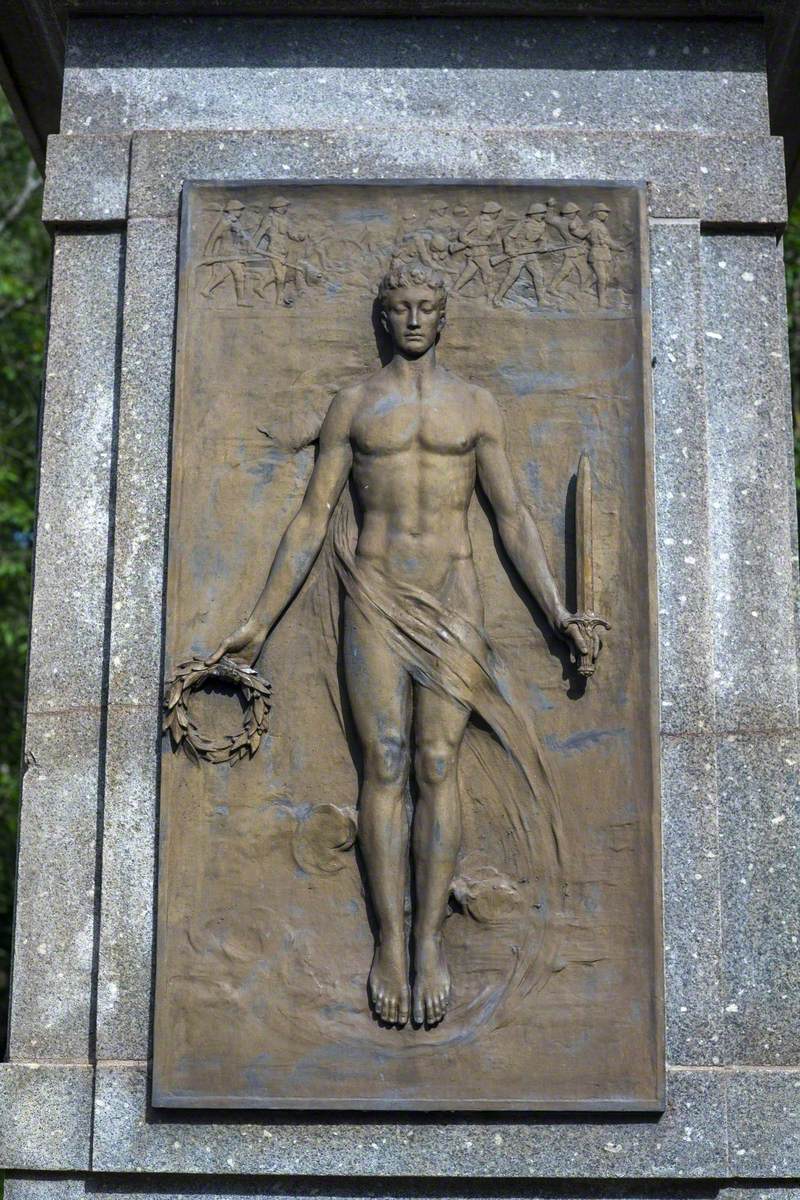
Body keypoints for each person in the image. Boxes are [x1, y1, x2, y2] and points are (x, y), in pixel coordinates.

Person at [208, 262, 598, 1027]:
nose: (414, 319)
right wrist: (259, 620)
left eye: (427, 307)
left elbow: (511, 515)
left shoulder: (475, 406)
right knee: (383, 762)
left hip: (453, 597)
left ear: (443, 317)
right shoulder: (353, 404)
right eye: (400, 308)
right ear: (383, 318)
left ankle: (431, 944)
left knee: (438, 762)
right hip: (377, 594)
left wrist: (555, 612)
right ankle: (389, 943)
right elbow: (312, 518)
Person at [492, 201, 554, 308]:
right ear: (534, 214)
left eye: (544, 213)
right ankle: (497, 298)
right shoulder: (523, 224)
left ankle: (542, 300)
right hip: (519, 253)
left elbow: (543, 239)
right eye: (541, 213)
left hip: (531, 254)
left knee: (539, 275)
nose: (543, 216)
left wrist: (543, 246)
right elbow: (508, 238)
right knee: (512, 276)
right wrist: (509, 250)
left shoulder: (542, 225)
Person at [450, 200, 503, 296]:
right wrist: (469, 242)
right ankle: (491, 299)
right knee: (489, 273)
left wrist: (496, 242)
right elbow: (463, 234)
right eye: (497, 212)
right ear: (492, 212)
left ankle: (454, 290)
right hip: (477, 251)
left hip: (483, 250)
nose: (498, 214)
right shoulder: (478, 220)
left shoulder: (493, 223)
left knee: (469, 273)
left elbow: (495, 239)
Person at [547, 200, 593, 300]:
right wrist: (551, 206)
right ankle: (552, 287)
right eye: (573, 212)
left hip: (580, 248)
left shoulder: (577, 219)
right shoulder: (561, 221)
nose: (575, 214)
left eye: (576, 212)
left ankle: (583, 287)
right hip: (572, 249)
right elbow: (549, 218)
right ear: (566, 214)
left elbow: (582, 232)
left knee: (570, 271)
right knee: (570, 271)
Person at [584, 202, 626, 307]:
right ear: (597, 213)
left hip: (605, 253)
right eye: (604, 212)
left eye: (607, 213)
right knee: (602, 278)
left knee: (606, 278)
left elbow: (608, 240)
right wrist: (573, 229)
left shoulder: (602, 226)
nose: (606, 215)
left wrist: (617, 247)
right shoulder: (591, 224)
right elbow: (582, 234)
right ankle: (602, 302)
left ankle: (585, 287)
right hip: (597, 253)